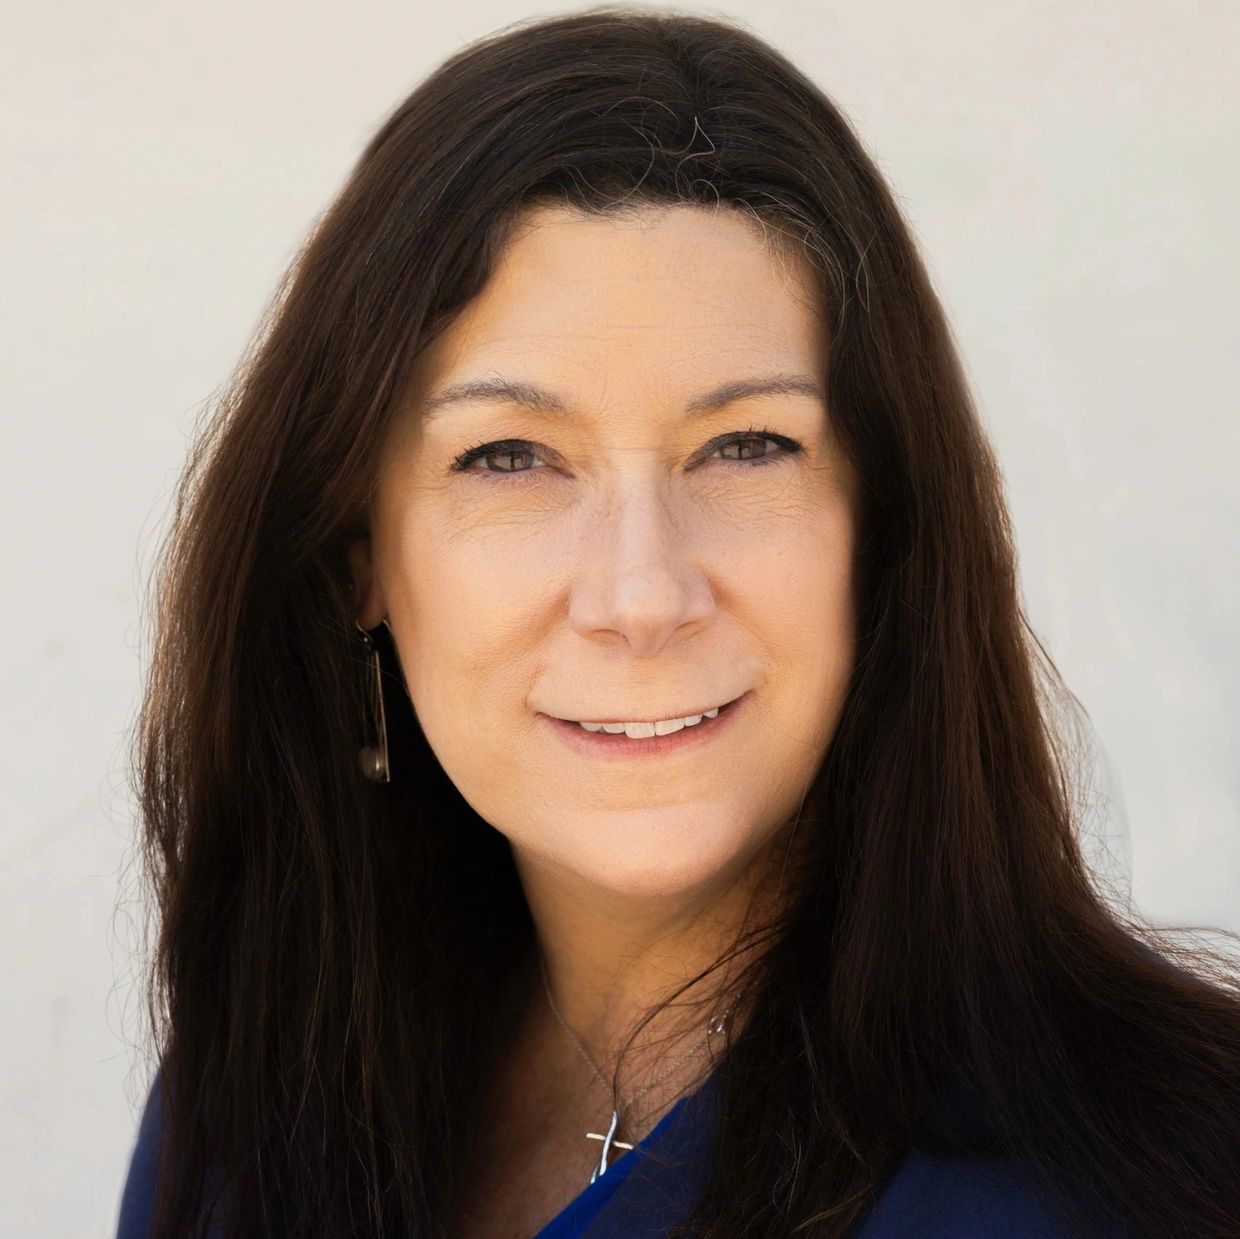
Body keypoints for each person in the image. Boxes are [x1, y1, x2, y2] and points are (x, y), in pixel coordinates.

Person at [114, 7, 1240, 1238]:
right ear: (356, 563)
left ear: (884, 529)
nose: (643, 596)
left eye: (745, 446)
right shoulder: (246, 1112)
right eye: (510, 457)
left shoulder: (1154, 1186)